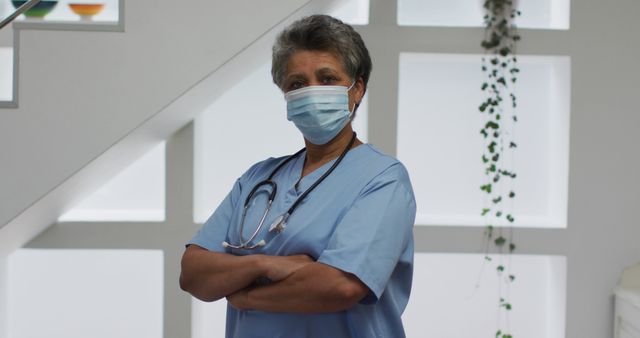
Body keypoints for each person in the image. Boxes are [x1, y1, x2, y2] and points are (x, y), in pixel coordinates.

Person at [179, 14, 416, 338]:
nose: (312, 92)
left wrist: (246, 295)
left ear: (357, 89)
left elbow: (340, 285)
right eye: (297, 84)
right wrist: (266, 265)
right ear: (287, 97)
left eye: (327, 78)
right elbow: (193, 274)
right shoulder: (257, 179)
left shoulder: (383, 179)